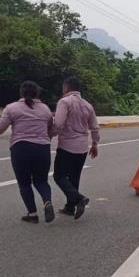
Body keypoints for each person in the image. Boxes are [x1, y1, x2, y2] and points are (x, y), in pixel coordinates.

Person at [0, 81, 55, 223]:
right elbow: (51, 128)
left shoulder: (12, 108)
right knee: (41, 181)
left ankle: (32, 214)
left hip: (21, 148)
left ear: (21, 92)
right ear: (37, 93)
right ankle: (47, 201)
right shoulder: (45, 109)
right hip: (42, 149)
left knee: (24, 183)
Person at [51, 77, 99, 220]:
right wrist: (95, 144)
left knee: (58, 176)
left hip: (67, 146)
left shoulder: (64, 102)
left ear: (66, 88)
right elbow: (94, 127)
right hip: (82, 147)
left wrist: (49, 135)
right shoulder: (88, 105)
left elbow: (58, 124)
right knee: (74, 177)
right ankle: (70, 207)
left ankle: (79, 199)